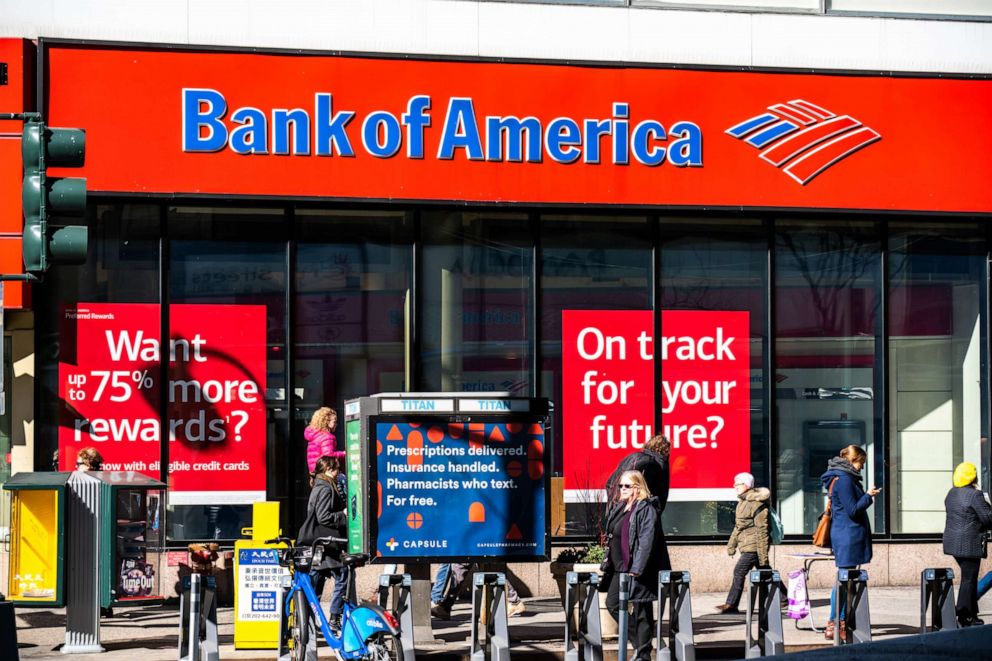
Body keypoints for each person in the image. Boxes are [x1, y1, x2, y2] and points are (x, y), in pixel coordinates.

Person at [603, 470, 668, 661]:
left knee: (642, 611)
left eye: (627, 486)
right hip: (619, 567)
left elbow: (646, 540)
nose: (622, 489)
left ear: (637, 488)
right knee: (612, 604)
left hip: (637, 568)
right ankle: (641, 646)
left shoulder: (646, 509)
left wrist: (637, 568)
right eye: (620, 486)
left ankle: (643, 653)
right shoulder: (620, 507)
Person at [820, 444, 880, 640]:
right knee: (843, 581)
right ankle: (835, 622)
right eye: (861, 463)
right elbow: (853, 509)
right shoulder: (845, 480)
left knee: (845, 581)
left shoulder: (842, 477)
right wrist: (868, 497)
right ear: (853, 461)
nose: (861, 467)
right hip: (847, 536)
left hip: (847, 535)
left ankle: (840, 620)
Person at [298, 456, 349, 636]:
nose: (339, 473)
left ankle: (309, 620)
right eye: (336, 469)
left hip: (319, 542)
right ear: (328, 469)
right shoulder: (326, 488)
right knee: (343, 575)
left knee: (316, 581)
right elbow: (324, 517)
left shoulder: (319, 485)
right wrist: (343, 514)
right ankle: (334, 618)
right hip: (327, 542)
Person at [943, 461, 992, 627]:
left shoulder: (952, 493)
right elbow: (987, 518)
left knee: (968, 577)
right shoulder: (975, 495)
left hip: (953, 542)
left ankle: (972, 614)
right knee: (968, 580)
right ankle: (964, 615)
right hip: (969, 542)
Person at [715, 472, 770, 613]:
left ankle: (732, 604)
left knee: (739, 571)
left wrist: (763, 555)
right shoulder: (742, 503)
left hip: (753, 546)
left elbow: (762, 531)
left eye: (737, 483)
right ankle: (783, 598)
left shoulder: (757, 504)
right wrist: (731, 545)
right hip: (746, 544)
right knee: (766, 572)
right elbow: (738, 527)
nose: (734, 486)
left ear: (746, 485)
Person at [430, 562, 526, 619]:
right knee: (462, 567)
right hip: (473, 536)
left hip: (470, 535)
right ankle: (514, 600)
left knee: (462, 567)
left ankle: (514, 601)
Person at [605, 434, 671, 515]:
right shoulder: (655, 464)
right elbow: (657, 496)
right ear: (666, 450)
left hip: (617, 511)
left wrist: (615, 505)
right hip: (635, 515)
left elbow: (610, 483)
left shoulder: (632, 457)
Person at [305, 407, 344, 473]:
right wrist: (344, 453)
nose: (336, 424)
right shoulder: (326, 437)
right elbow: (328, 455)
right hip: (324, 472)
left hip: (314, 472)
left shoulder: (314, 435)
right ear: (326, 422)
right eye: (334, 421)